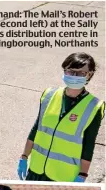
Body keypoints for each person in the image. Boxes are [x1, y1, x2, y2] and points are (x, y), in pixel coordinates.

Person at [18, 52, 104, 182]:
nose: (74, 76)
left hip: (63, 176)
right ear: (64, 71)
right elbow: (36, 128)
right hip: (36, 169)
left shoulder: (94, 106)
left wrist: (82, 175)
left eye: (81, 73)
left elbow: (89, 144)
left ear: (89, 74)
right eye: (70, 71)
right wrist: (24, 157)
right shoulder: (49, 95)